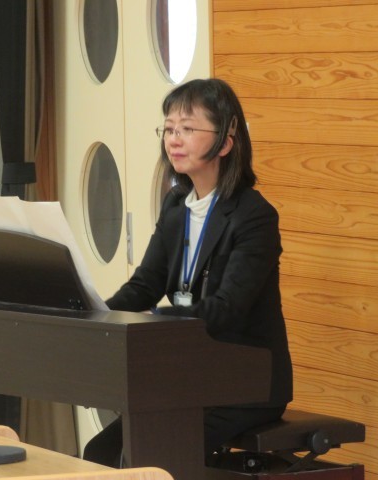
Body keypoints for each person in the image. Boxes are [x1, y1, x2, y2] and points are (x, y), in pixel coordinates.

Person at [83, 78, 293, 467]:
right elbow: (145, 285)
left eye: (188, 128)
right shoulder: (177, 205)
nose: (174, 140)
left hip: (244, 383)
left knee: (144, 456)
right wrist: (93, 312)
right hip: (189, 375)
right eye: (169, 129)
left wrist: (158, 320)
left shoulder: (254, 216)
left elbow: (228, 308)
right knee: (100, 453)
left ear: (225, 142)